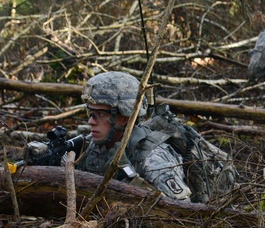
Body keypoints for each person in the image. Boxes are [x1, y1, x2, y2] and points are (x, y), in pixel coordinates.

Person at [25, 71, 192, 201]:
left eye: (100, 114)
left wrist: (130, 177)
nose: (91, 121)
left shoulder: (152, 158)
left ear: (125, 116)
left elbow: (182, 211)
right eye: (90, 112)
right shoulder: (91, 145)